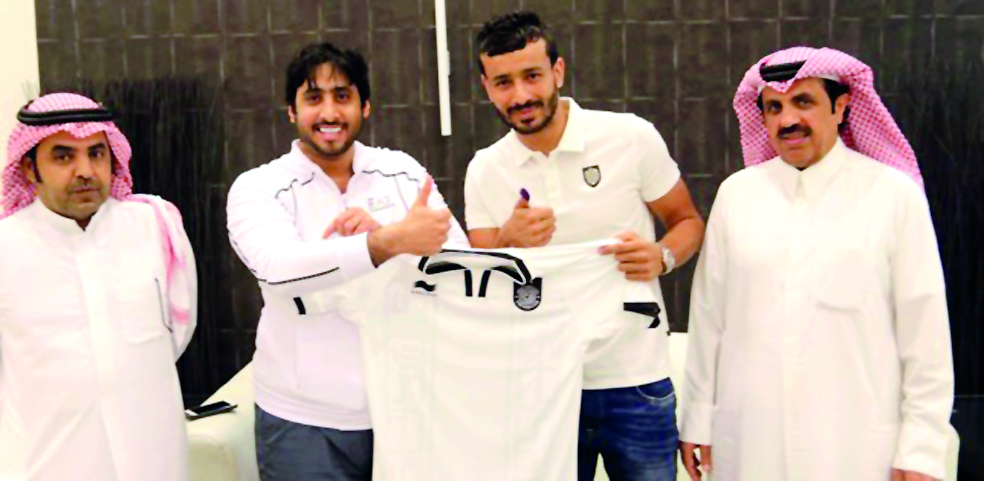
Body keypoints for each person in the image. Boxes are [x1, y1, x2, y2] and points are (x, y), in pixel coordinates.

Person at [680, 47, 954, 481]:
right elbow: (709, 318)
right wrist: (696, 417)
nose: (787, 119)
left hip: (855, 445)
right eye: (774, 107)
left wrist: (922, 447)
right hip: (751, 440)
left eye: (803, 101)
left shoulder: (893, 195)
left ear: (841, 107)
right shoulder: (738, 195)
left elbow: (925, 334)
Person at [464, 12, 705, 481]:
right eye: (503, 82)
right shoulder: (485, 169)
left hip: (634, 380)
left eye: (532, 76)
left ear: (558, 71)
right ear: (486, 86)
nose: (521, 96)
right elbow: (481, 285)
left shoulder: (629, 136)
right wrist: (509, 242)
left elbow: (687, 221)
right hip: (539, 387)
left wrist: (663, 256)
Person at [226, 42, 468, 481]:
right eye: (313, 98)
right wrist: (385, 243)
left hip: (406, 407)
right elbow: (278, 269)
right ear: (290, 111)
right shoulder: (258, 186)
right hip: (302, 419)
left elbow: (462, 271)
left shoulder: (404, 173)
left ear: (366, 105)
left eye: (342, 96)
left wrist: (397, 244)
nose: (329, 112)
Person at [0, 92, 197, 480]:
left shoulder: (155, 226)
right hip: (50, 463)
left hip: (154, 457)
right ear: (28, 168)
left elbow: (178, 332)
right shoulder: (6, 249)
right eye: (62, 156)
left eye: (96, 153)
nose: (84, 169)